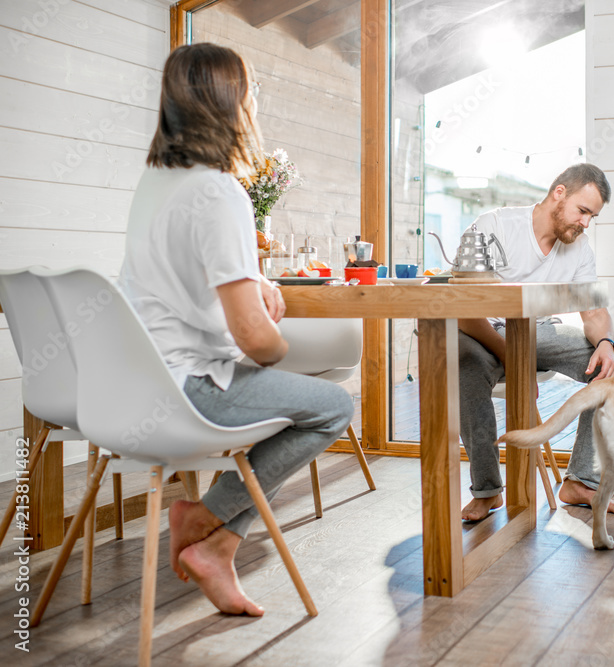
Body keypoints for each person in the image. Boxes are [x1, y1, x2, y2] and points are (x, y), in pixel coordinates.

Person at [118, 43, 353, 616]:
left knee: (297, 396)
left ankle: (218, 546)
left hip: (131, 384)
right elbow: (255, 340)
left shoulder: (156, 180)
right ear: (231, 101)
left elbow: (188, 282)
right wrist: (274, 338)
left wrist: (251, 289)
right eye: (252, 89)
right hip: (188, 389)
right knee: (333, 406)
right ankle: (206, 521)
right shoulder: (217, 191)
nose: (256, 100)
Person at [458, 163, 614, 521]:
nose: (586, 223)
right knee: (465, 365)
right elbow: (465, 311)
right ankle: (488, 489)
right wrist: (513, 356)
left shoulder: (579, 248)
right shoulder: (493, 226)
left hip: (537, 333)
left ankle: (581, 480)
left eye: (592, 216)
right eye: (582, 211)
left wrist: (604, 342)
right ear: (559, 193)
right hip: (484, 333)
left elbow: (594, 311)